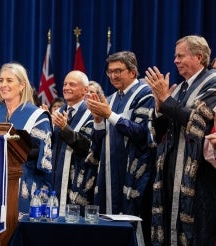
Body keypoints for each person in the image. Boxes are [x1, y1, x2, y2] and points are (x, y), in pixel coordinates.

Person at [145, 35, 216, 245]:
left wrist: (166, 100)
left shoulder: (212, 83)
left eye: (180, 56)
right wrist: (159, 107)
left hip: (198, 176)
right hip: (171, 169)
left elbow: (198, 122)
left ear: (199, 57)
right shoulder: (182, 88)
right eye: (175, 56)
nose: (175, 60)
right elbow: (162, 132)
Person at [87, 51, 155, 245]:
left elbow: (142, 133)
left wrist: (109, 115)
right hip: (108, 173)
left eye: (119, 71)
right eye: (110, 72)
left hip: (133, 173)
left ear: (133, 72)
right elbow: (98, 143)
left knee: (131, 227)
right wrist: (99, 121)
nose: (114, 76)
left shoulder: (145, 93)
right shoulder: (110, 98)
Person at [0, 62, 53, 218]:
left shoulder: (37, 116)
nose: (3, 85)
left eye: (9, 80)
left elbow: (42, 155)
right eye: (1, 80)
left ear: (22, 85)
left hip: (25, 183)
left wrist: (12, 148)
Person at [50, 70, 94, 216]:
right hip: (55, 178)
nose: (66, 87)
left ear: (85, 90)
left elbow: (88, 147)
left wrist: (65, 129)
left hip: (78, 181)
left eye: (72, 84)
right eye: (65, 84)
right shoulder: (59, 112)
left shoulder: (92, 113)